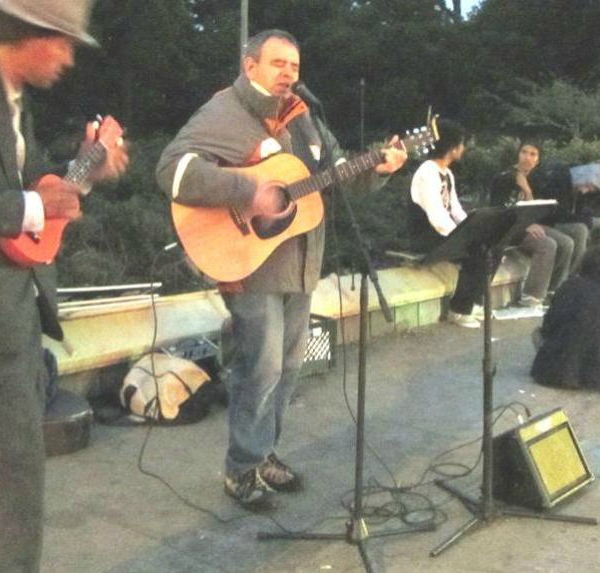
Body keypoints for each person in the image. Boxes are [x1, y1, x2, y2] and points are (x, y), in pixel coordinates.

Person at [156, 29, 407, 509]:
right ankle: (240, 468)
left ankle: (263, 453)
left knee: (289, 367)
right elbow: (172, 170)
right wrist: (246, 191)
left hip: (301, 262)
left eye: (294, 66)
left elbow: (338, 181)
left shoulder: (305, 120)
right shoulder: (224, 112)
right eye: (278, 64)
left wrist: (380, 168)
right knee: (261, 366)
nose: (289, 74)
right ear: (250, 66)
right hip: (250, 263)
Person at [0, 1, 128, 571]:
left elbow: (36, 199)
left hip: (17, 323)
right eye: (65, 42)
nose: (71, 58)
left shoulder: (15, 103)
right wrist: (30, 204)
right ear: (26, 32)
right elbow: (26, 203)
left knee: (18, 479)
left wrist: (84, 171)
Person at [408, 119, 486, 328]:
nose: (463, 148)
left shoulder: (447, 173)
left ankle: (474, 301)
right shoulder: (427, 171)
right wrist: (462, 237)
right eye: (461, 143)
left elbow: (455, 209)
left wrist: (474, 227)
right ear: (452, 147)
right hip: (424, 234)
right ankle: (459, 310)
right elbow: (436, 214)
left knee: (489, 244)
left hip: (444, 231)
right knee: (476, 251)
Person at [491, 142, 589, 305]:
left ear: (538, 159)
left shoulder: (538, 178)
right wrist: (526, 223)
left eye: (533, 154)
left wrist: (529, 192)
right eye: (524, 152)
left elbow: (540, 209)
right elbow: (498, 210)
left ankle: (553, 290)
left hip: (532, 224)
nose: (527, 158)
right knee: (547, 245)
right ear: (518, 154)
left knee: (567, 242)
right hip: (510, 227)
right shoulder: (505, 177)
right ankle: (531, 296)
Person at [531, 245, 600, 389]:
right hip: (594, 378)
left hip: (552, 372)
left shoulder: (569, 286)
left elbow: (548, 327)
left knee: (537, 333)